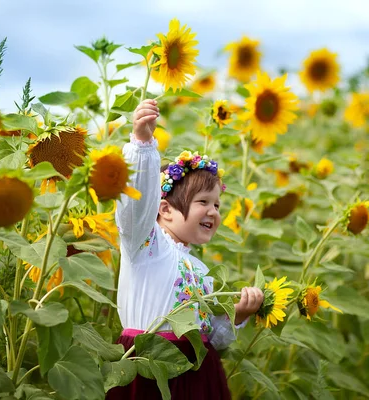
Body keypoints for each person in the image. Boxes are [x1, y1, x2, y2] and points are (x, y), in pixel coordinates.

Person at [106, 99, 264, 399]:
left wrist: (238, 314)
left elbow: (212, 337)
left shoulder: (203, 272)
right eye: (203, 202)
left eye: (217, 204)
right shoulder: (145, 244)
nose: (213, 211)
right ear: (164, 209)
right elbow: (136, 205)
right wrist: (142, 145)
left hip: (197, 376)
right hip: (147, 365)